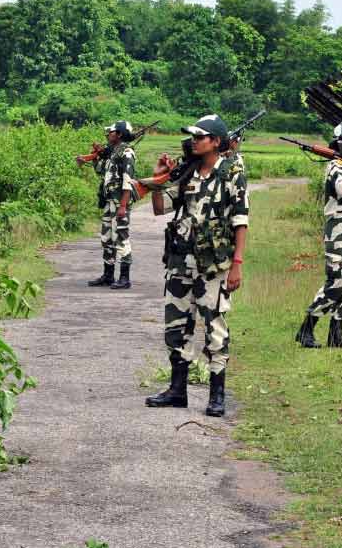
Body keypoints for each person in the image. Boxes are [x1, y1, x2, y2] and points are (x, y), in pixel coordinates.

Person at [144, 114, 249, 417]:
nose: (194, 140)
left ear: (216, 142)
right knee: (176, 326)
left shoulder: (231, 175)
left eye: (200, 136)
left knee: (215, 327)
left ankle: (217, 395)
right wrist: (158, 178)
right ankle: (177, 390)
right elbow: (160, 208)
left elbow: (240, 221)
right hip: (180, 262)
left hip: (213, 266)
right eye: (192, 136)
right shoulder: (188, 174)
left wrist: (237, 264)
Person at [295, 121, 342, 349]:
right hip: (339, 236)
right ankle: (305, 330)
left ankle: (336, 335)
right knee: (335, 285)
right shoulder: (335, 167)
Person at [77, 121, 136, 289]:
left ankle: (124, 278)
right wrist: (94, 157)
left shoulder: (127, 153)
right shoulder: (112, 153)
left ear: (119, 134)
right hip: (109, 202)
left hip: (119, 202)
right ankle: (108, 275)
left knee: (121, 237)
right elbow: (101, 171)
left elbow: (127, 181)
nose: (108, 134)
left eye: (111, 132)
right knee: (107, 238)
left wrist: (123, 206)